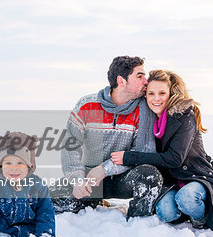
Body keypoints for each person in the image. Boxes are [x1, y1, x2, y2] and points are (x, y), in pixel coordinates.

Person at [111, 70, 213, 234]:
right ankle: (182, 211)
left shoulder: (184, 116)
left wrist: (128, 157)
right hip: (172, 180)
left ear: (171, 93)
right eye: (151, 93)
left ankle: (200, 218)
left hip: (196, 176)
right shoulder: (150, 118)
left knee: (187, 199)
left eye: (162, 93)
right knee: (165, 212)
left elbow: (174, 159)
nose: (156, 98)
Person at [51, 56, 163, 219]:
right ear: (121, 81)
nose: (146, 81)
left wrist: (105, 169)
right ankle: (92, 201)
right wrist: (76, 179)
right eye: (140, 76)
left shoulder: (144, 108)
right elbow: (70, 146)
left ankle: (137, 224)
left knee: (150, 176)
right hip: (89, 179)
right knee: (45, 200)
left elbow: (142, 152)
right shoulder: (87, 104)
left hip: (124, 178)